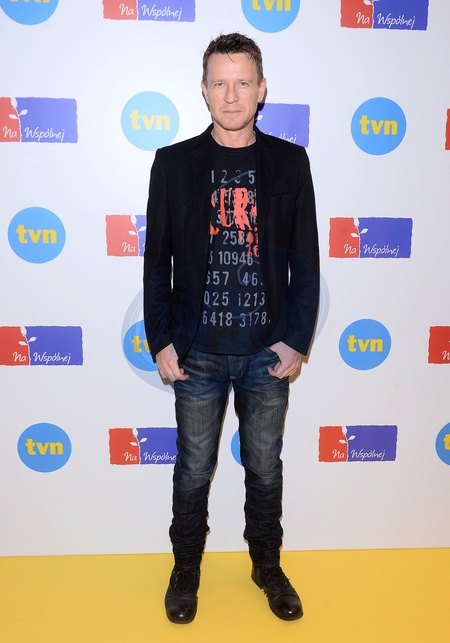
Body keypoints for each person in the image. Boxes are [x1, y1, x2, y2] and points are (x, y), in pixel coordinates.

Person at [143, 32, 319, 624]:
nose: (232, 94)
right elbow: (156, 262)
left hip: (267, 352)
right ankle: (186, 569)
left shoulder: (290, 162)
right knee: (194, 467)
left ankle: (267, 566)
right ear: (203, 89)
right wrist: (161, 339)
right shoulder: (173, 164)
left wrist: (296, 339)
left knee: (265, 467)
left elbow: (306, 258)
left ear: (262, 89)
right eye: (220, 82)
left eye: (243, 82)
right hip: (196, 352)